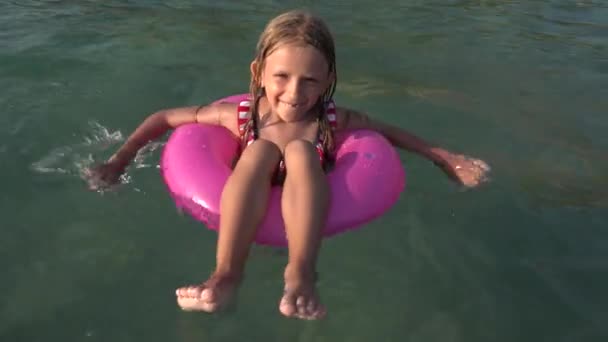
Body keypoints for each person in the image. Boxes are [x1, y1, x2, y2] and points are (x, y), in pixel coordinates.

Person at [85, 9, 490, 320]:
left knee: (299, 151)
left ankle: (301, 275)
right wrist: (119, 161)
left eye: (311, 81)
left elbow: (392, 133)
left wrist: (447, 160)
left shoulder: (331, 121)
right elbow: (164, 118)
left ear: (329, 78)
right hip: (249, 208)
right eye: (281, 76)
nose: (295, 93)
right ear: (258, 73)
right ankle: (226, 274)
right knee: (260, 151)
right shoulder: (239, 116)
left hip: (302, 216)